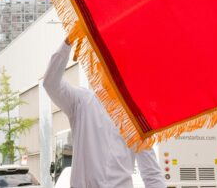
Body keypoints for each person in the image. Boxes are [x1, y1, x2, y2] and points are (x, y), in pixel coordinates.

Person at [43, 37, 165, 188]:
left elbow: (152, 174)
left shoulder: (135, 116)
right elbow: (50, 83)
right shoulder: (81, 101)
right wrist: (67, 43)